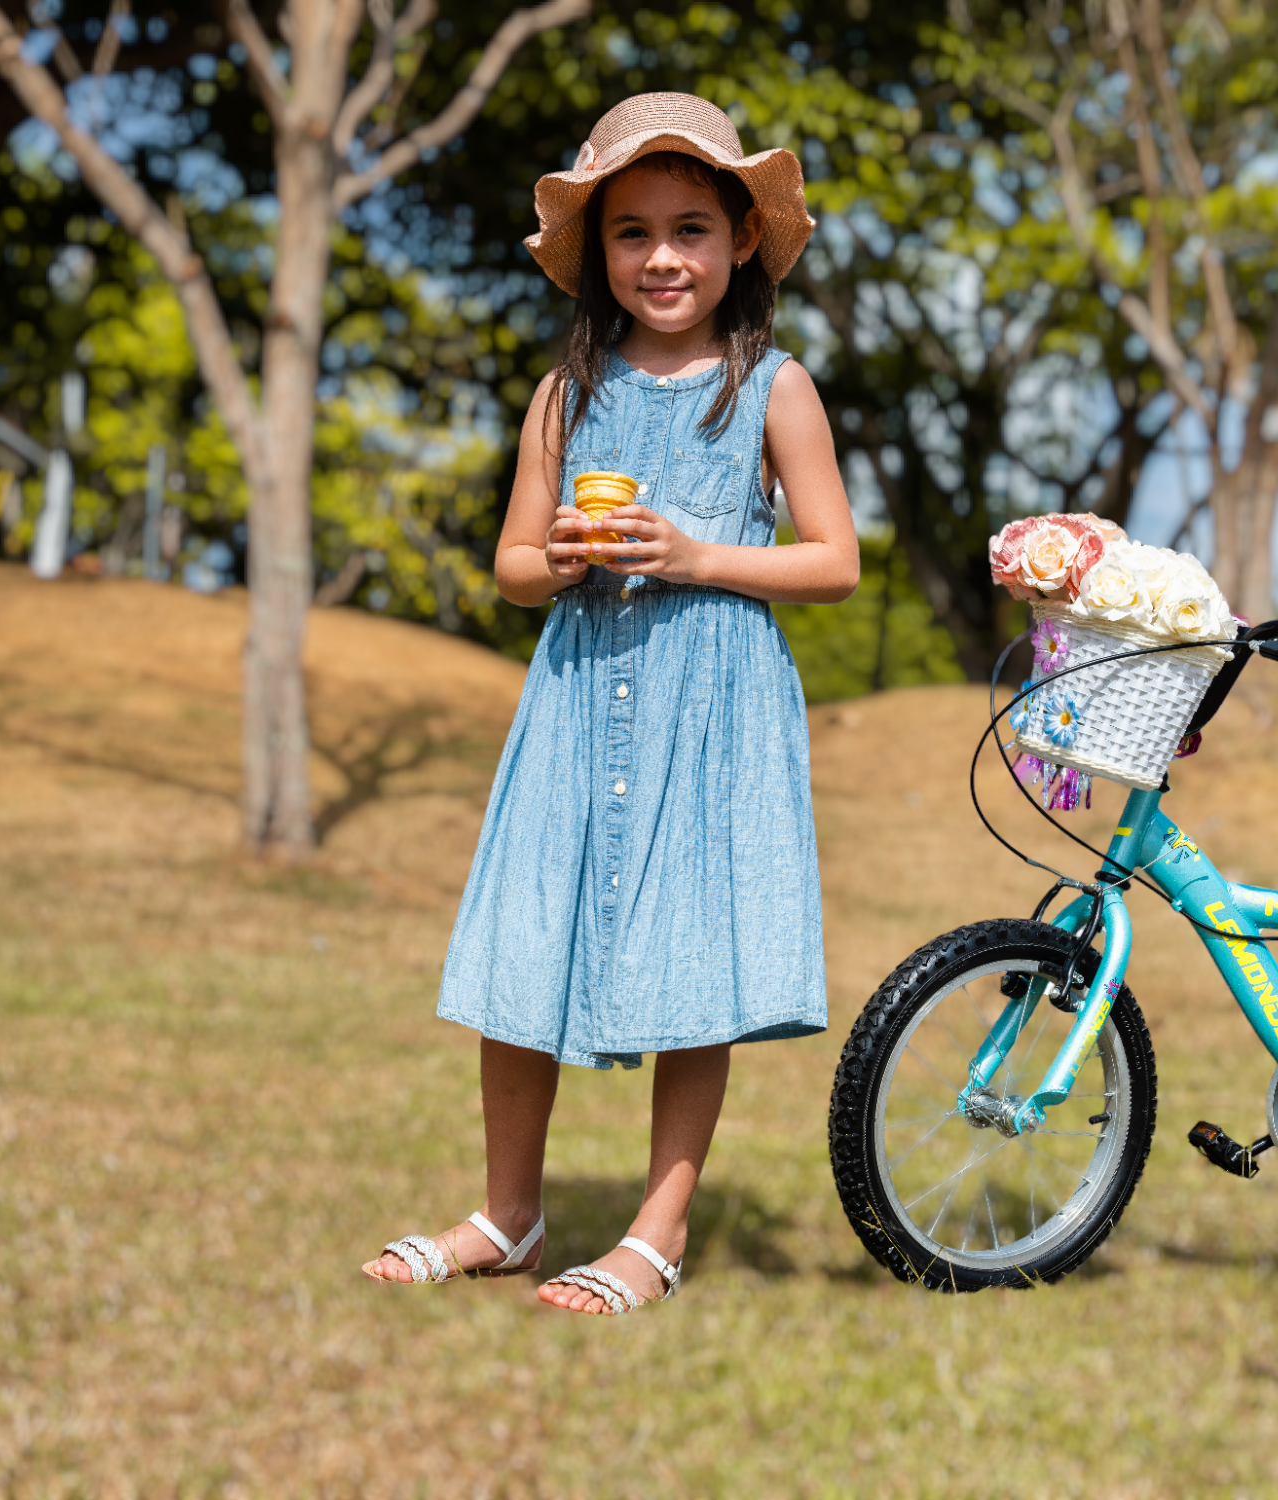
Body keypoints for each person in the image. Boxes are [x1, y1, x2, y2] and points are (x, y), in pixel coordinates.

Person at [362, 93, 858, 1314]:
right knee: (524, 937)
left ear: (742, 240)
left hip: (713, 700)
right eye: (631, 233)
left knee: (691, 955)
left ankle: (656, 1229)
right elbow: (512, 568)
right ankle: (507, 1214)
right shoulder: (563, 391)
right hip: (580, 697)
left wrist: (691, 554)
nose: (662, 258)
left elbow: (834, 561)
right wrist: (574, 558)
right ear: (599, 254)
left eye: (690, 227)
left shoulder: (772, 388)